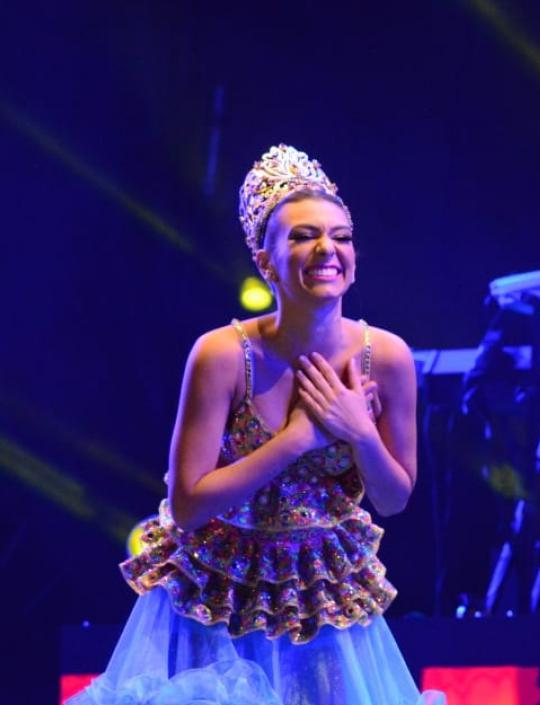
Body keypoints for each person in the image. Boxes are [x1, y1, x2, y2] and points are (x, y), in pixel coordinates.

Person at [70, 145, 443, 705]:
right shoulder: (223, 354)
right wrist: (298, 439)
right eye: (302, 236)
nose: (327, 250)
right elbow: (189, 502)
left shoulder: (384, 357)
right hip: (219, 596)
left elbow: (393, 498)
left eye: (340, 236)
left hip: (323, 593)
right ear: (265, 261)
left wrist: (358, 431)